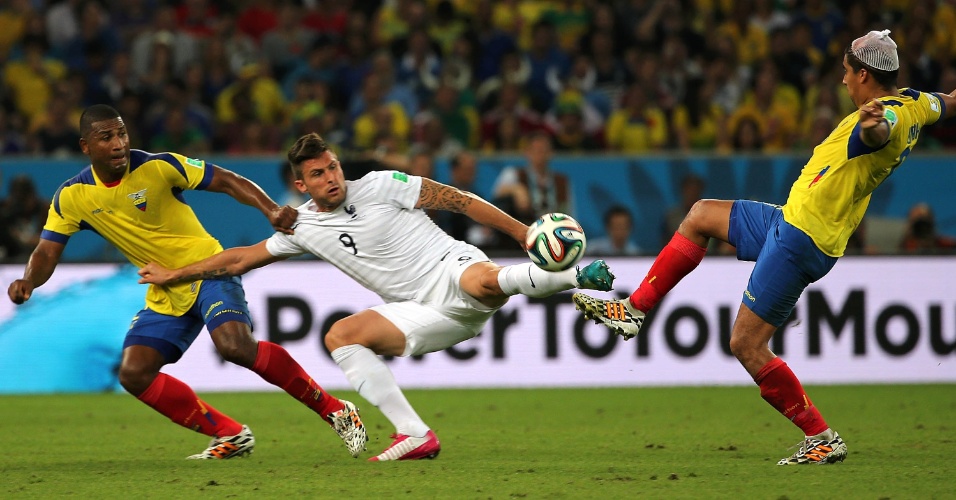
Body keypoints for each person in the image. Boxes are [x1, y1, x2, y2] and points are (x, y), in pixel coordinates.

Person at [572, 30, 956, 466]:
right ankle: (635, 309)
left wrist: (873, 128)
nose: (843, 80)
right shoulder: (916, 103)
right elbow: (948, 101)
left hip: (803, 238)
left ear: (865, 74)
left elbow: (877, 135)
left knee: (745, 344)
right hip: (790, 218)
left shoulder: (888, 117)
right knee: (699, 215)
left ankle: (822, 436)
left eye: (847, 73)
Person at [137, 132, 615, 462]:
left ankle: (575, 277)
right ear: (301, 185)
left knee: (482, 282)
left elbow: (458, 200)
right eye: (318, 174)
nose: (332, 177)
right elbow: (238, 259)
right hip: (422, 312)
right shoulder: (304, 226)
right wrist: (174, 273)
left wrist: (523, 232)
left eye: (334, 166)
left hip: (455, 268)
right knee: (341, 336)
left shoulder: (383, 184)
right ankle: (414, 435)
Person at [6, 105, 367, 460]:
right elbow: (46, 251)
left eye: (121, 133)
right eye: (106, 137)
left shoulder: (157, 165)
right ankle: (230, 434)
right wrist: (28, 281)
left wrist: (270, 209)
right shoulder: (73, 196)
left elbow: (228, 180)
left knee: (235, 347)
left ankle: (336, 410)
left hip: (209, 270)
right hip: (165, 289)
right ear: (86, 146)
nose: (118, 143)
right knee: (134, 373)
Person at [492, 131, 572, 225]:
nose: (540, 155)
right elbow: (497, 193)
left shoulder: (561, 181)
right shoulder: (513, 173)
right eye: (536, 150)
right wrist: (516, 189)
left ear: (551, 153)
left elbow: (569, 212)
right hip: (523, 230)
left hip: (552, 231)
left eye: (543, 150)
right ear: (527, 152)